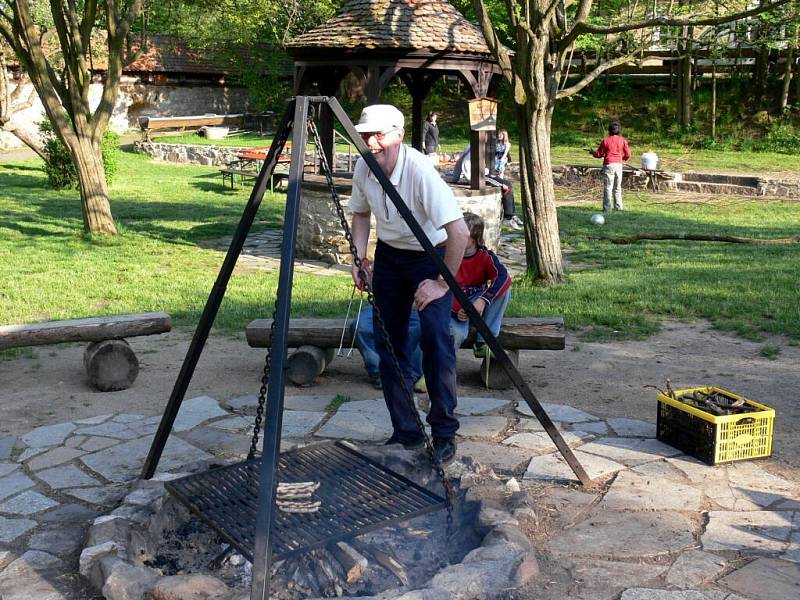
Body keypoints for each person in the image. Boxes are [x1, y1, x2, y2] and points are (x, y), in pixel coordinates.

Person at [349, 104, 470, 465]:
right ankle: (406, 432)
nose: (372, 141)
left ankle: (444, 432)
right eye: (366, 134)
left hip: (430, 255)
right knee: (389, 340)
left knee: (435, 336)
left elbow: (459, 233)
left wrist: (440, 283)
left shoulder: (418, 171)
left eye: (379, 134)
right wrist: (358, 257)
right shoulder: (363, 166)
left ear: (398, 135)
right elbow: (359, 213)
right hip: (390, 256)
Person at [450, 212, 512, 356]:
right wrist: (456, 310)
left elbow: (503, 278)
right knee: (455, 335)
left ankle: (484, 342)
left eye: (463, 234)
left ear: (475, 237)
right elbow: (441, 287)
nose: (457, 236)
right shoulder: (447, 255)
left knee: (504, 291)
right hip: (454, 308)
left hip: (477, 303)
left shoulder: (485, 257)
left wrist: (483, 300)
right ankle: (441, 373)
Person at [350, 303, 426, 393]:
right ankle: (379, 372)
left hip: (416, 307)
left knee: (417, 328)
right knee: (360, 325)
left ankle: (409, 374)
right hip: (382, 303)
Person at [451, 145, 523, 231]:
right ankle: (508, 217)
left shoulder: (476, 150)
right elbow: (462, 168)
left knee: (508, 183)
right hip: (479, 177)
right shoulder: (470, 154)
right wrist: (455, 179)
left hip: (484, 174)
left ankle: (512, 216)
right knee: (505, 187)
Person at [590, 121, 631, 212]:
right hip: (619, 165)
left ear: (609, 131)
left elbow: (599, 154)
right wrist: (622, 159)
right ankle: (619, 207)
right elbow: (628, 154)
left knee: (608, 187)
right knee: (617, 187)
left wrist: (593, 152)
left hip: (609, 165)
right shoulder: (623, 140)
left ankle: (607, 208)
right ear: (619, 130)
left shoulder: (606, 141)